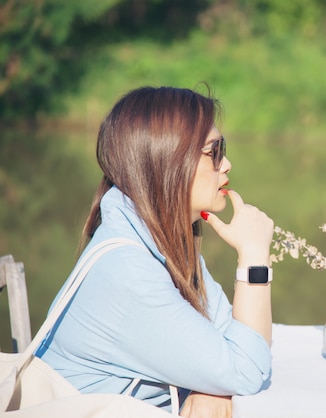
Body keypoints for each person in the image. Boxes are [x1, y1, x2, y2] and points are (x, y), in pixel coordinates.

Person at [36, 86, 274, 417]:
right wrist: (254, 258)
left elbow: (240, 351)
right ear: (168, 160)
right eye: (215, 151)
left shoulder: (163, 240)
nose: (227, 164)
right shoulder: (128, 271)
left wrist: (213, 387)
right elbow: (249, 370)